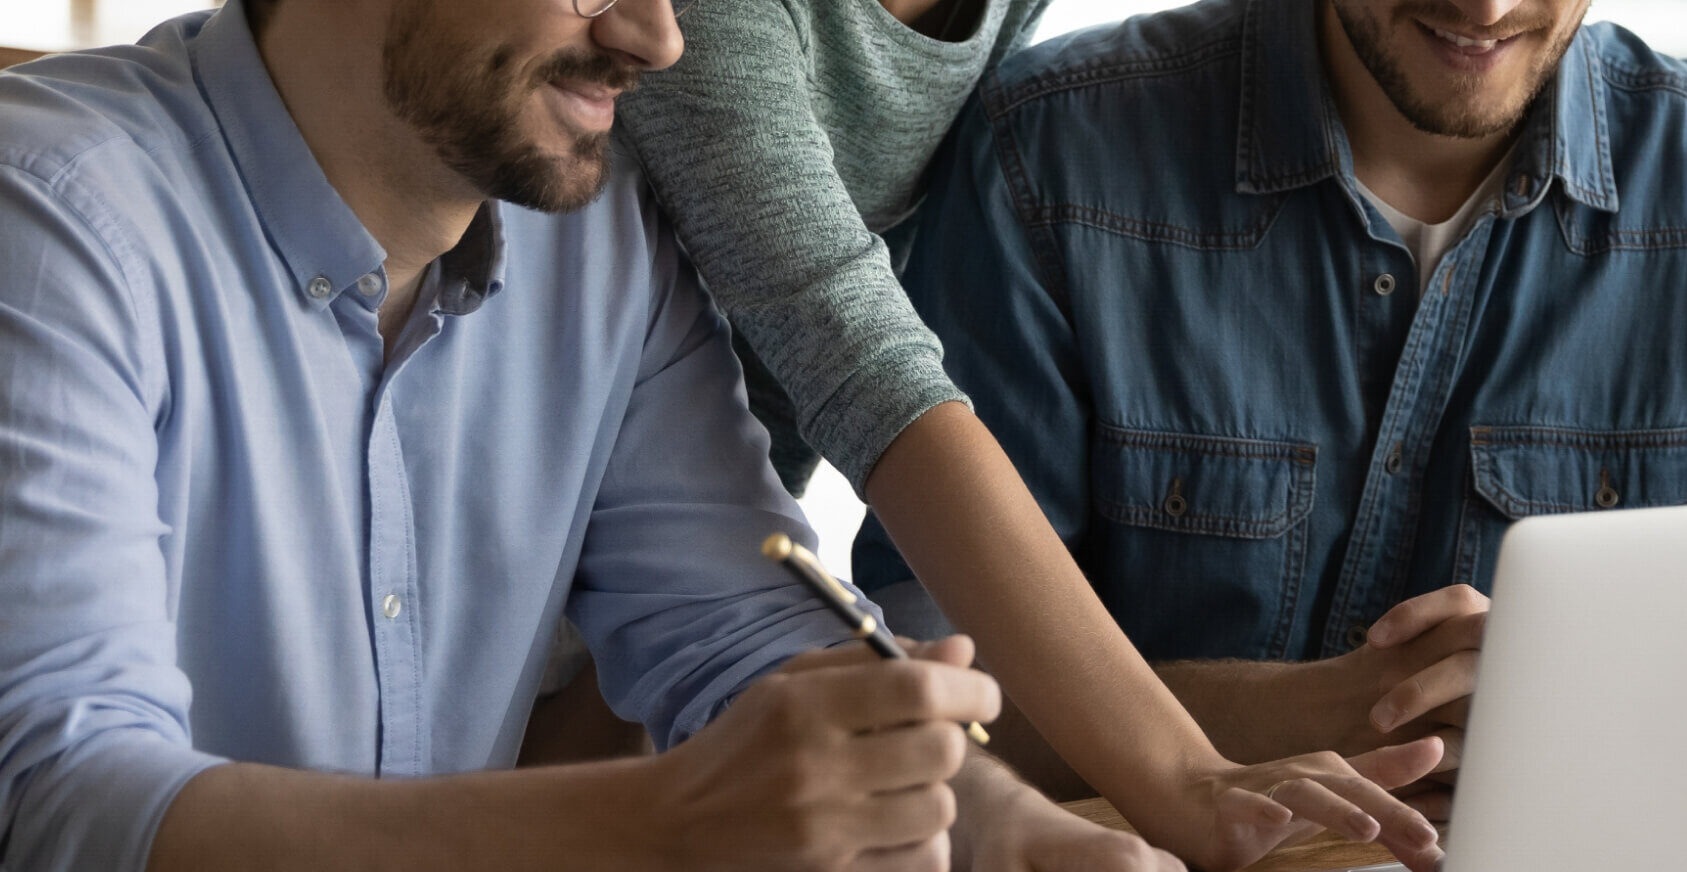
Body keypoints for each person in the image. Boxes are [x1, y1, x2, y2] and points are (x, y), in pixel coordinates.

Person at [0, 0, 1447, 867]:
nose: (658, 37)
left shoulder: (594, 247)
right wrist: (660, 829)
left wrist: (1021, 837)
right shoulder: (57, 217)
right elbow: (65, 805)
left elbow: (741, 641)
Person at [856, 0, 1687, 805]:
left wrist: (1638, 696)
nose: (1487, 5)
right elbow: (932, 690)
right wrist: (1344, 709)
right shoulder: (1052, 158)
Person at [590, 1, 1457, 869]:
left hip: (682, 568)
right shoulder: (699, 17)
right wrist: (1183, 773)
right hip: (549, 513)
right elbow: (865, 365)